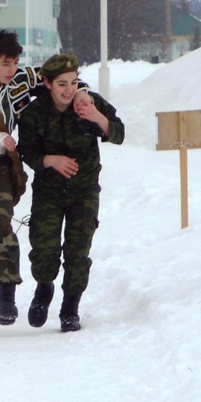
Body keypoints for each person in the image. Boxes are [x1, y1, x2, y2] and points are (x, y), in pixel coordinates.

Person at [0, 30, 94, 327]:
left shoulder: (22, 80)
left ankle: (6, 293)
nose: (11, 70)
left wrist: (82, 92)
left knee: (1, 221)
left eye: (15, 63)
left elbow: (61, 77)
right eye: (4, 64)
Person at [17, 53, 124, 332]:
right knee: (44, 249)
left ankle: (70, 309)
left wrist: (96, 116)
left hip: (83, 190)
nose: (69, 90)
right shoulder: (34, 112)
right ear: (48, 83)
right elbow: (26, 150)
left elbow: (120, 133)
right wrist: (50, 160)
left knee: (78, 251)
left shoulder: (89, 102)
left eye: (74, 82)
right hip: (49, 191)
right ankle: (44, 288)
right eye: (62, 84)